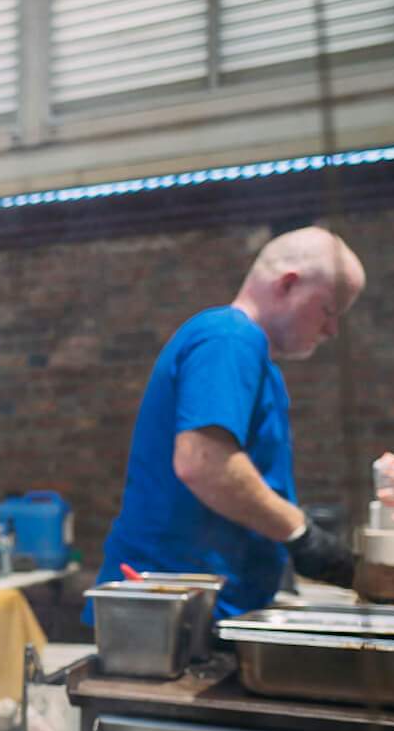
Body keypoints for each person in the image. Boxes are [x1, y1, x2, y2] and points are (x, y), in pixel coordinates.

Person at [93, 226, 366, 619]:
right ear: (288, 284)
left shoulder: (254, 359)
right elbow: (204, 463)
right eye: (329, 310)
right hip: (171, 614)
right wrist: (300, 534)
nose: (332, 330)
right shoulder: (229, 338)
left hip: (208, 605)